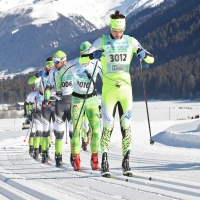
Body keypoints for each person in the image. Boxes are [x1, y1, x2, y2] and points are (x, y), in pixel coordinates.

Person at [79, 10, 154, 177]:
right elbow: (82, 59)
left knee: (126, 127)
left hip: (126, 91)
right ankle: (104, 162)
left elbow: (151, 59)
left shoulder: (131, 41)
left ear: (125, 29)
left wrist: (143, 54)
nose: (118, 34)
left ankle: (126, 162)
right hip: (109, 91)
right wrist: (92, 54)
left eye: (121, 31)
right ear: (110, 28)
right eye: (114, 31)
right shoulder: (102, 41)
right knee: (108, 126)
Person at [70, 41, 102, 171]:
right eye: (84, 54)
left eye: (89, 53)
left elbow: (107, 76)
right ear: (80, 54)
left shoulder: (97, 64)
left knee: (95, 131)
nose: (86, 57)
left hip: (92, 100)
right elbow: (61, 74)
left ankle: (95, 160)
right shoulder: (73, 64)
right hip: (77, 100)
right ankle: (76, 159)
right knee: (76, 130)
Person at [53, 50, 73, 167]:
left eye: (57, 62)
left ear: (63, 61)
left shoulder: (72, 68)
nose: (55, 65)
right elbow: (53, 87)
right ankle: (58, 157)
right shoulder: (55, 73)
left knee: (72, 132)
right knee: (59, 132)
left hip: (71, 102)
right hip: (60, 104)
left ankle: (73, 156)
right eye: (54, 62)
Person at [27, 78, 44, 161]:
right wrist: (29, 113)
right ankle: (34, 149)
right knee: (36, 131)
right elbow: (27, 103)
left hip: (43, 114)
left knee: (42, 131)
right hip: (35, 114)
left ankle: (41, 148)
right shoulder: (32, 94)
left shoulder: (46, 92)